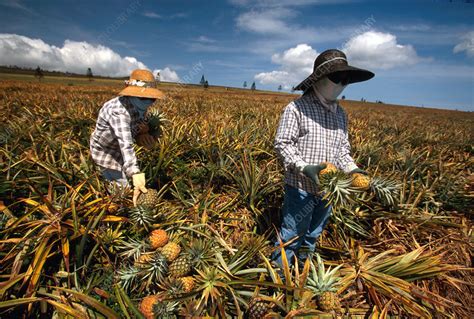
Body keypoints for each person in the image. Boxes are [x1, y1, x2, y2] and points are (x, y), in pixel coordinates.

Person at [272, 49, 374, 267]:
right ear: (319, 78)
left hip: (329, 190)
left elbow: (341, 151)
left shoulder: (341, 114)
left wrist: (353, 169)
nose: (342, 83)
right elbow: (282, 143)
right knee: (291, 234)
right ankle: (277, 281)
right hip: (300, 187)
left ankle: (302, 270)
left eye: (346, 80)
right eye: (337, 77)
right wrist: (303, 166)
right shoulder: (296, 108)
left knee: (313, 234)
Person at [90, 69, 165, 206]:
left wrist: (143, 134)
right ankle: (118, 213)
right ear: (131, 94)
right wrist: (135, 173)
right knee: (122, 191)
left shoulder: (137, 105)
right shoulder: (119, 113)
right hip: (106, 151)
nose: (148, 102)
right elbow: (125, 144)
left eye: (152, 98)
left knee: (124, 182)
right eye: (143, 98)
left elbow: (137, 125)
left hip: (120, 148)